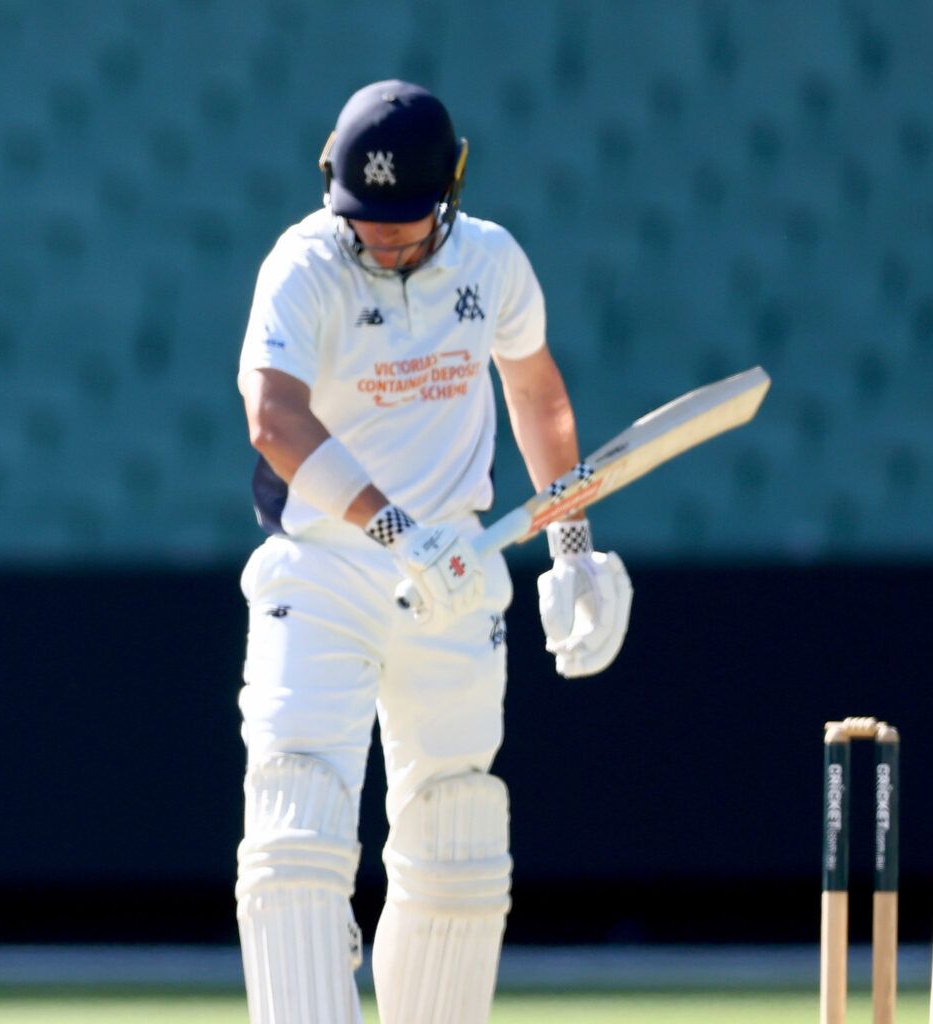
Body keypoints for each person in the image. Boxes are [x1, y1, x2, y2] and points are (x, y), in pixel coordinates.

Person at [232, 81, 634, 1024]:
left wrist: (573, 547)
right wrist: (395, 533)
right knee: (295, 829)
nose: (383, 243)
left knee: (458, 834)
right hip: (323, 572)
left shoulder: (491, 262)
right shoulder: (303, 265)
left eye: (405, 226)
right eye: (365, 222)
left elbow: (536, 396)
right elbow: (273, 418)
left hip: (455, 575)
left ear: (451, 190)